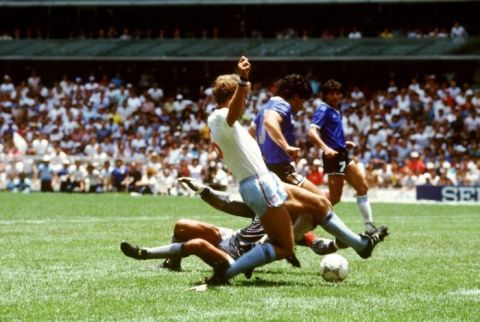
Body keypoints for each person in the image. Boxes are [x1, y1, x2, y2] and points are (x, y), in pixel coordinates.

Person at [155, 57, 387, 285]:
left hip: (265, 180)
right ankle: (230, 272)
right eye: (244, 96)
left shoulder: (226, 124)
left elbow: (252, 129)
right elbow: (252, 117)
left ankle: (361, 245)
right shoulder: (220, 116)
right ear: (234, 95)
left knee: (320, 204)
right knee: (284, 245)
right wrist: (244, 81)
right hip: (259, 183)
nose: (246, 101)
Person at [308, 79, 380, 235]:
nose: (335, 96)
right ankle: (305, 218)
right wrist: (326, 148)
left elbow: (331, 134)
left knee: (362, 187)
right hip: (332, 157)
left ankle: (369, 227)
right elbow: (312, 132)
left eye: (337, 93)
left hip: (342, 154)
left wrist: (343, 142)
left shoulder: (335, 110)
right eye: (331, 94)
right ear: (325, 96)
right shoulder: (324, 109)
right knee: (334, 198)